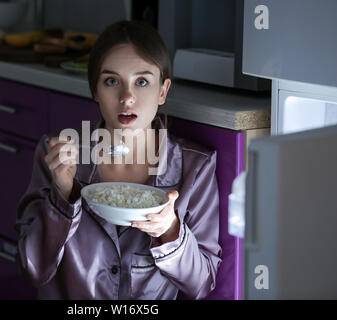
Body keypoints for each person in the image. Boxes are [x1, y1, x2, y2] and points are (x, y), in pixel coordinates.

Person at [15, 20, 222, 300]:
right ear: (95, 92)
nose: (127, 97)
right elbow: (33, 271)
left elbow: (202, 284)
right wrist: (63, 195)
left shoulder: (196, 167)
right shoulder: (56, 156)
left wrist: (171, 231)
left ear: (162, 91)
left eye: (142, 81)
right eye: (112, 81)